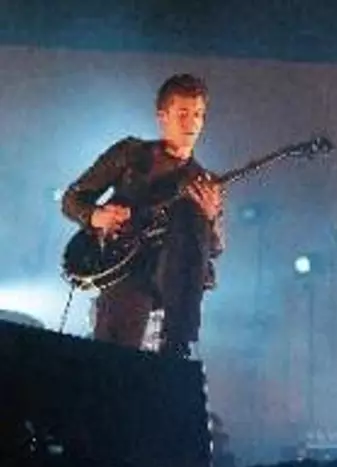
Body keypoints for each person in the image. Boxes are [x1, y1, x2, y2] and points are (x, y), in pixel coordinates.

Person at [61, 73, 224, 358]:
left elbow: (215, 248)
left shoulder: (203, 182)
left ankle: (178, 348)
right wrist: (97, 216)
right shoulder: (132, 154)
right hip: (124, 279)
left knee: (166, 370)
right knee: (115, 368)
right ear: (163, 116)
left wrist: (211, 218)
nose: (192, 123)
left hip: (171, 295)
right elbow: (72, 199)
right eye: (183, 114)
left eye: (198, 114)